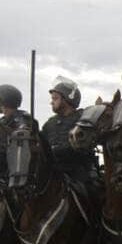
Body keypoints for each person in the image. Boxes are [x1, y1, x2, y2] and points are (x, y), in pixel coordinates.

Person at [41, 76, 103, 220]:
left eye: (55, 98)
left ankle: (99, 231)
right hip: (53, 172)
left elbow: (82, 143)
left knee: (95, 195)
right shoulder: (49, 123)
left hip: (78, 171)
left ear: (67, 99)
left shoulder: (82, 117)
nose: (52, 101)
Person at [0, 84, 39, 194]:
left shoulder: (22, 120)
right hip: (0, 172)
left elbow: (18, 149)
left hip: (16, 175)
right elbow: (0, 156)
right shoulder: (1, 122)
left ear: (2, 101)